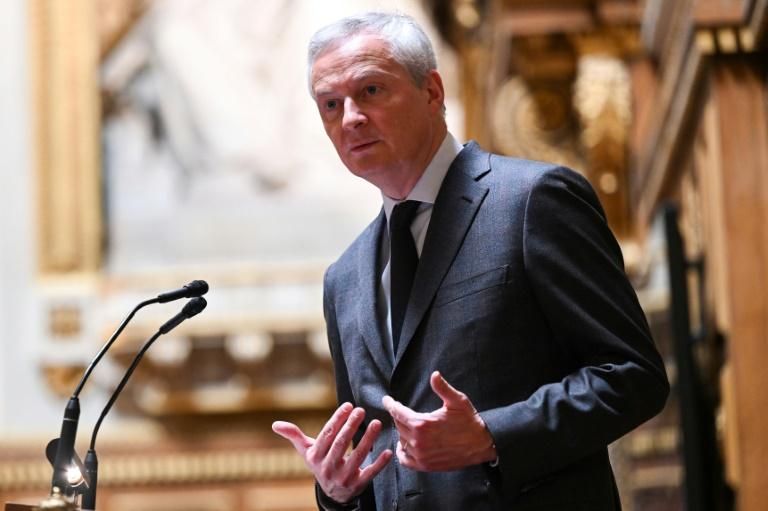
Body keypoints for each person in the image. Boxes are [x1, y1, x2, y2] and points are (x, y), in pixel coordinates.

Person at [272, 11, 669, 510]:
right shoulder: (344, 279)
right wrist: (338, 491)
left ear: (432, 91)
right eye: (331, 104)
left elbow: (632, 375)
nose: (350, 117)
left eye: (370, 90)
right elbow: (381, 451)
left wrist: (490, 435)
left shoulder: (531, 200)